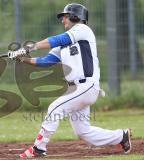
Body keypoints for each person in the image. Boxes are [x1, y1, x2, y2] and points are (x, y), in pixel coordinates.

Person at [8, 3, 132, 158]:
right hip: (75, 89)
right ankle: (121, 136)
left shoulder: (82, 30)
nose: (63, 20)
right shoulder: (63, 45)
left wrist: (30, 47)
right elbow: (47, 61)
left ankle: (39, 148)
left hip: (86, 85)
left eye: (65, 16)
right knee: (83, 132)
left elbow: (57, 39)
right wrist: (23, 59)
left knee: (54, 108)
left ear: (75, 16)